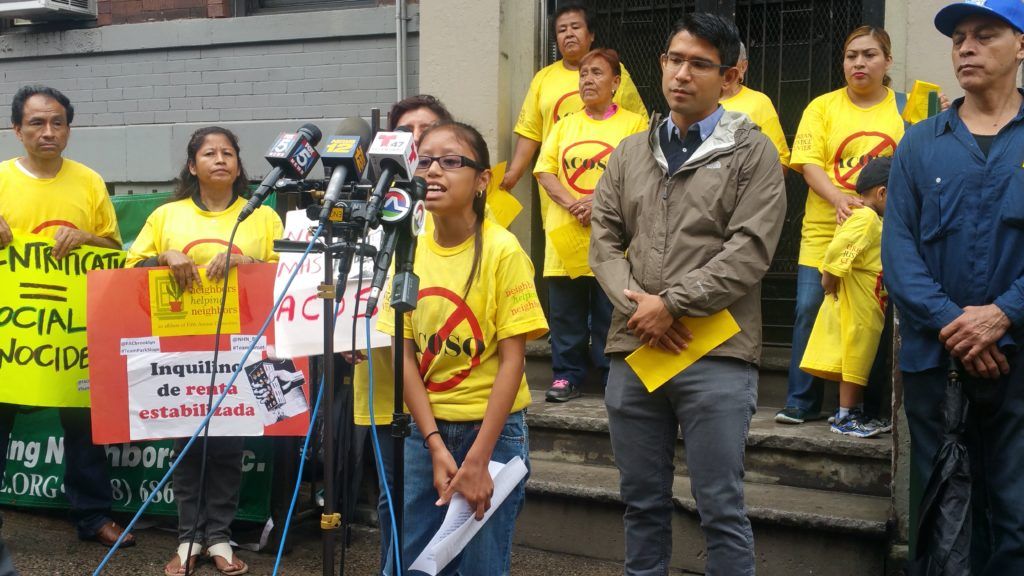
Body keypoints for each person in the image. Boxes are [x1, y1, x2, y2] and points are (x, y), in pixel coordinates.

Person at [590, 13, 786, 575]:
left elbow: (750, 250)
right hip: (635, 350)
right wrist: (637, 306)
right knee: (640, 503)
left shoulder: (752, 152)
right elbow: (602, 240)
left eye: (700, 64)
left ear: (730, 77)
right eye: (674, 60)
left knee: (720, 506)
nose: (682, 74)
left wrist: (670, 303)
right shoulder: (630, 152)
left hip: (718, 354)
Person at [883, 1, 1024, 572]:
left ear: (1021, 45)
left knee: (1016, 511)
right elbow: (899, 251)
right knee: (941, 507)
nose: (965, 47)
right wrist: (955, 323)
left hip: (1018, 361)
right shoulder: (920, 143)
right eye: (958, 37)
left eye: (984, 35)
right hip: (935, 360)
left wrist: (1006, 313)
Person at [377, 121, 548, 575]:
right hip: (424, 432)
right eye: (424, 160)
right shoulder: (405, 248)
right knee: (412, 561)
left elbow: (514, 361)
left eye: (450, 161)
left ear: (482, 180)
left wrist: (476, 460)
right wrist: (434, 444)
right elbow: (403, 353)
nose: (433, 171)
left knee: (480, 565)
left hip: (491, 434)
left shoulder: (503, 251)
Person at [127, 126, 283, 576]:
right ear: (192, 166)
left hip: (241, 349)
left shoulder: (263, 216)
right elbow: (129, 267)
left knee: (228, 447)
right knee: (188, 446)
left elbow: (286, 272)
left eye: (228, 153)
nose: (220, 159)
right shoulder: (166, 216)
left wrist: (247, 263)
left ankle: (219, 536)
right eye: (209, 153)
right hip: (179, 356)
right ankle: (187, 538)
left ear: (239, 164)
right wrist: (163, 257)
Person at [0, 85, 132, 548]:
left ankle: (93, 515)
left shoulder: (89, 181)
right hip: (13, 337)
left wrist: (85, 237)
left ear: (69, 129)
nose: (48, 132)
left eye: (57, 122)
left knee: (85, 426)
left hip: (73, 334)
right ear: (17, 130)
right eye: (36, 123)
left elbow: (115, 250)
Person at [775, 26, 906, 425]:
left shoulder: (906, 107)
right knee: (811, 308)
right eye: (851, 56)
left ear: (887, 61)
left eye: (869, 55)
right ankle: (802, 401)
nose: (859, 63)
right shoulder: (822, 106)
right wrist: (839, 198)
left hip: (884, 237)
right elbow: (809, 163)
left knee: (876, 320)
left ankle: (868, 407)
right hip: (825, 229)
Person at [350, 93, 453, 576]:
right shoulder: (372, 213)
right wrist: (340, 336)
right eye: (406, 131)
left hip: (447, 386)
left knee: (440, 505)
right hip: (382, 382)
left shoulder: (464, 213)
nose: (416, 139)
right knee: (393, 501)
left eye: (428, 129)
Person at [533, 48, 647, 402]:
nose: (587, 80)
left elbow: (640, 172)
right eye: (583, 74)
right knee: (566, 313)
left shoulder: (633, 124)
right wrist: (573, 203)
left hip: (612, 236)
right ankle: (566, 376)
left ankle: (613, 375)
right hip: (566, 235)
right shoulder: (564, 124)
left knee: (609, 311)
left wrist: (599, 202)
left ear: (616, 83)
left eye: (596, 73)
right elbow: (544, 170)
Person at [501, 0, 647, 221]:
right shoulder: (543, 78)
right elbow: (531, 131)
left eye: (576, 27)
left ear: (591, 35)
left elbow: (638, 132)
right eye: (562, 29)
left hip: (608, 190)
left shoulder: (618, 74)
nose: (568, 34)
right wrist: (513, 174)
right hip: (560, 188)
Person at [800, 157, 890, 438]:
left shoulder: (868, 217)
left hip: (867, 298)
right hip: (858, 299)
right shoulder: (866, 217)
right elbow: (840, 248)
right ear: (882, 193)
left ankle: (851, 412)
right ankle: (846, 416)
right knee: (855, 355)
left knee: (857, 356)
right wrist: (829, 279)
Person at [719, 41, 792, 168]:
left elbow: (780, 161)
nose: (722, 66)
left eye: (729, 59)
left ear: (743, 66)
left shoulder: (759, 102)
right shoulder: (695, 103)